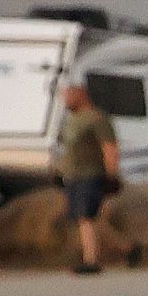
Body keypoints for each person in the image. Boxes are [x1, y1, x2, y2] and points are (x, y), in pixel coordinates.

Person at [56, 82, 119, 274]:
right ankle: (127, 249)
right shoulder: (70, 120)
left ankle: (91, 260)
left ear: (80, 94)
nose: (65, 100)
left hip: (91, 174)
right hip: (72, 175)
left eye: (68, 95)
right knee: (81, 218)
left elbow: (109, 147)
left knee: (86, 217)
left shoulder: (97, 119)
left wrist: (112, 175)